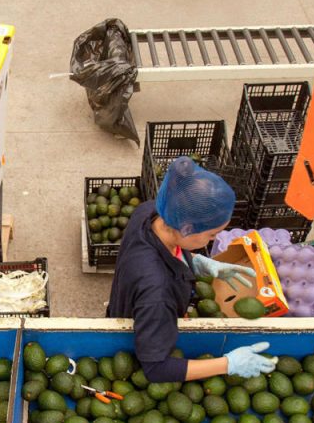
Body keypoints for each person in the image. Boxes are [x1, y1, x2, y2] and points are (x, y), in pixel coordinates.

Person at [106, 156, 279, 383]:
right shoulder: (157, 293)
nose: (212, 241)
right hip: (139, 329)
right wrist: (228, 364)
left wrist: (195, 260)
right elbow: (156, 368)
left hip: (131, 300)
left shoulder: (148, 213)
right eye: (211, 235)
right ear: (187, 229)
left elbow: (167, 248)